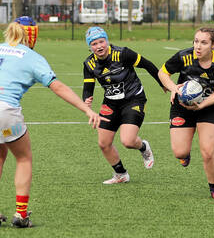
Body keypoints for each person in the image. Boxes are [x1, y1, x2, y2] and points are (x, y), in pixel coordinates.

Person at [0, 16, 103, 228]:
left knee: (0, 154)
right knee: (23, 158)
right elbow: (58, 87)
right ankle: (21, 215)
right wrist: (86, 109)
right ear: (32, 34)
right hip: (6, 111)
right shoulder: (32, 57)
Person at [82, 26, 164, 184]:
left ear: (107, 41)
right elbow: (88, 86)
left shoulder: (123, 53)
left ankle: (143, 147)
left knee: (128, 141)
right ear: (89, 46)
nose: (99, 46)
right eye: (94, 44)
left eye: (101, 41)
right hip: (111, 103)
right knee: (103, 143)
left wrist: (162, 83)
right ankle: (121, 174)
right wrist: (87, 99)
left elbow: (147, 64)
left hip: (133, 99)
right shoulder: (89, 63)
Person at [158, 27, 214, 200]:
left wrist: (201, 105)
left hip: (208, 107)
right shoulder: (183, 57)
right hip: (181, 106)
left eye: (203, 42)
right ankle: (185, 155)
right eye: (196, 41)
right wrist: (174, 88)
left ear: (213, 45)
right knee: (179, 152)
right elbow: (163, 73)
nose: (198, 46)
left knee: (208, 151)